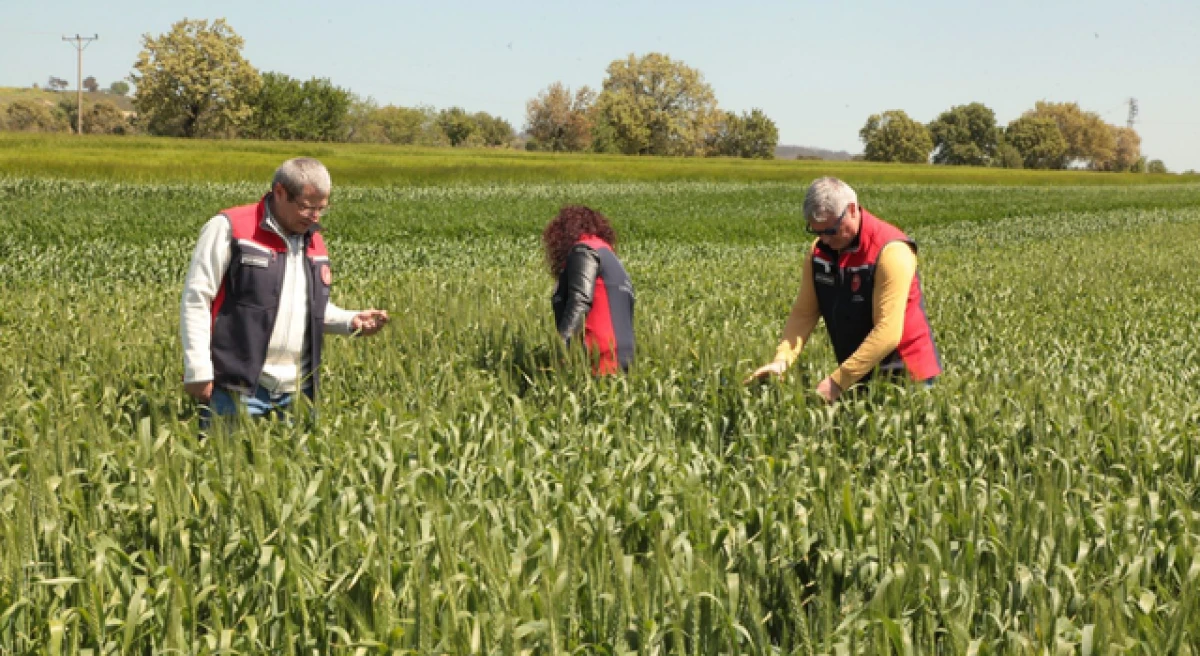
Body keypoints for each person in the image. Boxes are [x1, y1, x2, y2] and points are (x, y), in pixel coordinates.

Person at [180, 157, 389, 425]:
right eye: (306, 207)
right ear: (279, 192)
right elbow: (197, 299)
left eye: (321, 209)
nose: (315, 217)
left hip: (297, 392)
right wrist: (198, 369)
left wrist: (350, 321)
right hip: (236, 388)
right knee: (226, 465)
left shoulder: (314, 241)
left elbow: (308, 308)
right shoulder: (231, 227)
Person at [745, 177, 940, 401]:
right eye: (818, 232)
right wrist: (782, 360)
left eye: (832, 230)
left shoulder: (892, 251)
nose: (826, 239)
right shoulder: (819, 252)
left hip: (906, 376)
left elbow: (888, 332)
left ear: (852, 210)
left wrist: (838, 381)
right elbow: (804, 313)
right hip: (859, 372)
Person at [543, 205, 635, 374]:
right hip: (625, 356)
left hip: (599, 357)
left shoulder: (584, 250)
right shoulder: (610, 257)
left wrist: (560, 351)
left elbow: (580, 301)